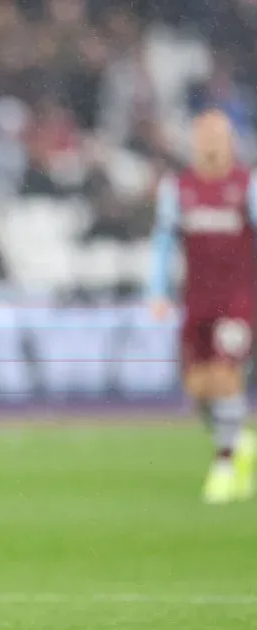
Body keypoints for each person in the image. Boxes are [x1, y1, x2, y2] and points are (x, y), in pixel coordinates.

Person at [150, 108, 257, 504]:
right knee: (197, 388)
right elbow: (163, 242)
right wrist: (156, 292)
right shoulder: (179, 188)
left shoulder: (247, 185)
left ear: (231, 141)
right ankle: (238, 441)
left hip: (239, 300)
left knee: (226, 375)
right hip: (197, 300)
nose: (211, 143)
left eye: (219, 135)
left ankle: (225, 465)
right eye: (205, 136)